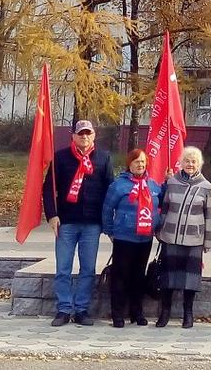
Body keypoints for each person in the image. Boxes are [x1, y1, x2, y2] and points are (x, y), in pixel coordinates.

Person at [42, 119, 114, 327]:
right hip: (65, 222)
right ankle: (64, 309)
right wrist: (52, 215)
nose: (84, 137)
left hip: (92, 224)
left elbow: (110, 191)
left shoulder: (103, 158)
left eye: (87, 133)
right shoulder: (61, 157)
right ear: (73, 136)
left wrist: (108, 223)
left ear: (93, 136)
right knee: (63, 268)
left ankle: (81, 310)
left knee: (88, 269)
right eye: (80, 133)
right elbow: (48, 189)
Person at [154, 146, 211, 329]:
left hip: (194, 239)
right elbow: (164, 209)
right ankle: (165, 313)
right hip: (170, 237)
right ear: (181, 162)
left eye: (194, 161)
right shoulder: (172, 182)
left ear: (199, 164)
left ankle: (188, 314)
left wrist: (208, 241)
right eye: (187, 161)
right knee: (168, 278)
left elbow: (209, 216)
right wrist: (159, 231)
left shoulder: (206, 187)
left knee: (190, 279)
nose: (190, 164)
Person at [101, 149, 161, 328]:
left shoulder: (153, 185)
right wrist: (110, 231)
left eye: (143, 162)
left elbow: (162, 204)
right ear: (129, 164)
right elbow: (106, 209)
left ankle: (137, 313)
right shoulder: (119, 185)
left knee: (138, 276)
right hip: (124, 238)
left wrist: (156, 226)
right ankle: (117, 314)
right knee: (120, 276)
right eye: (136, 162)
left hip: (145, 239)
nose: (140, 165)